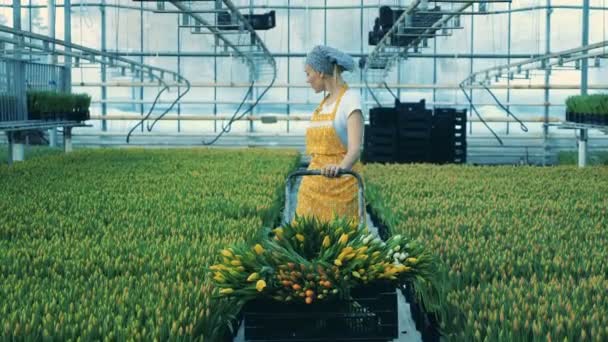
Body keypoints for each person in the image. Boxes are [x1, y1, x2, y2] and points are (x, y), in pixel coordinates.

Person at [294, 45, 365, 227]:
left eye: (308, 73)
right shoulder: (324, 103)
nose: (307, 80)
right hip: (312, 187)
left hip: (340, 187)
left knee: (340, 245)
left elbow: (355, 148)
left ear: (320, 72)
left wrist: (340, 169)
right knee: (306, 242)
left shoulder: (350, 99)